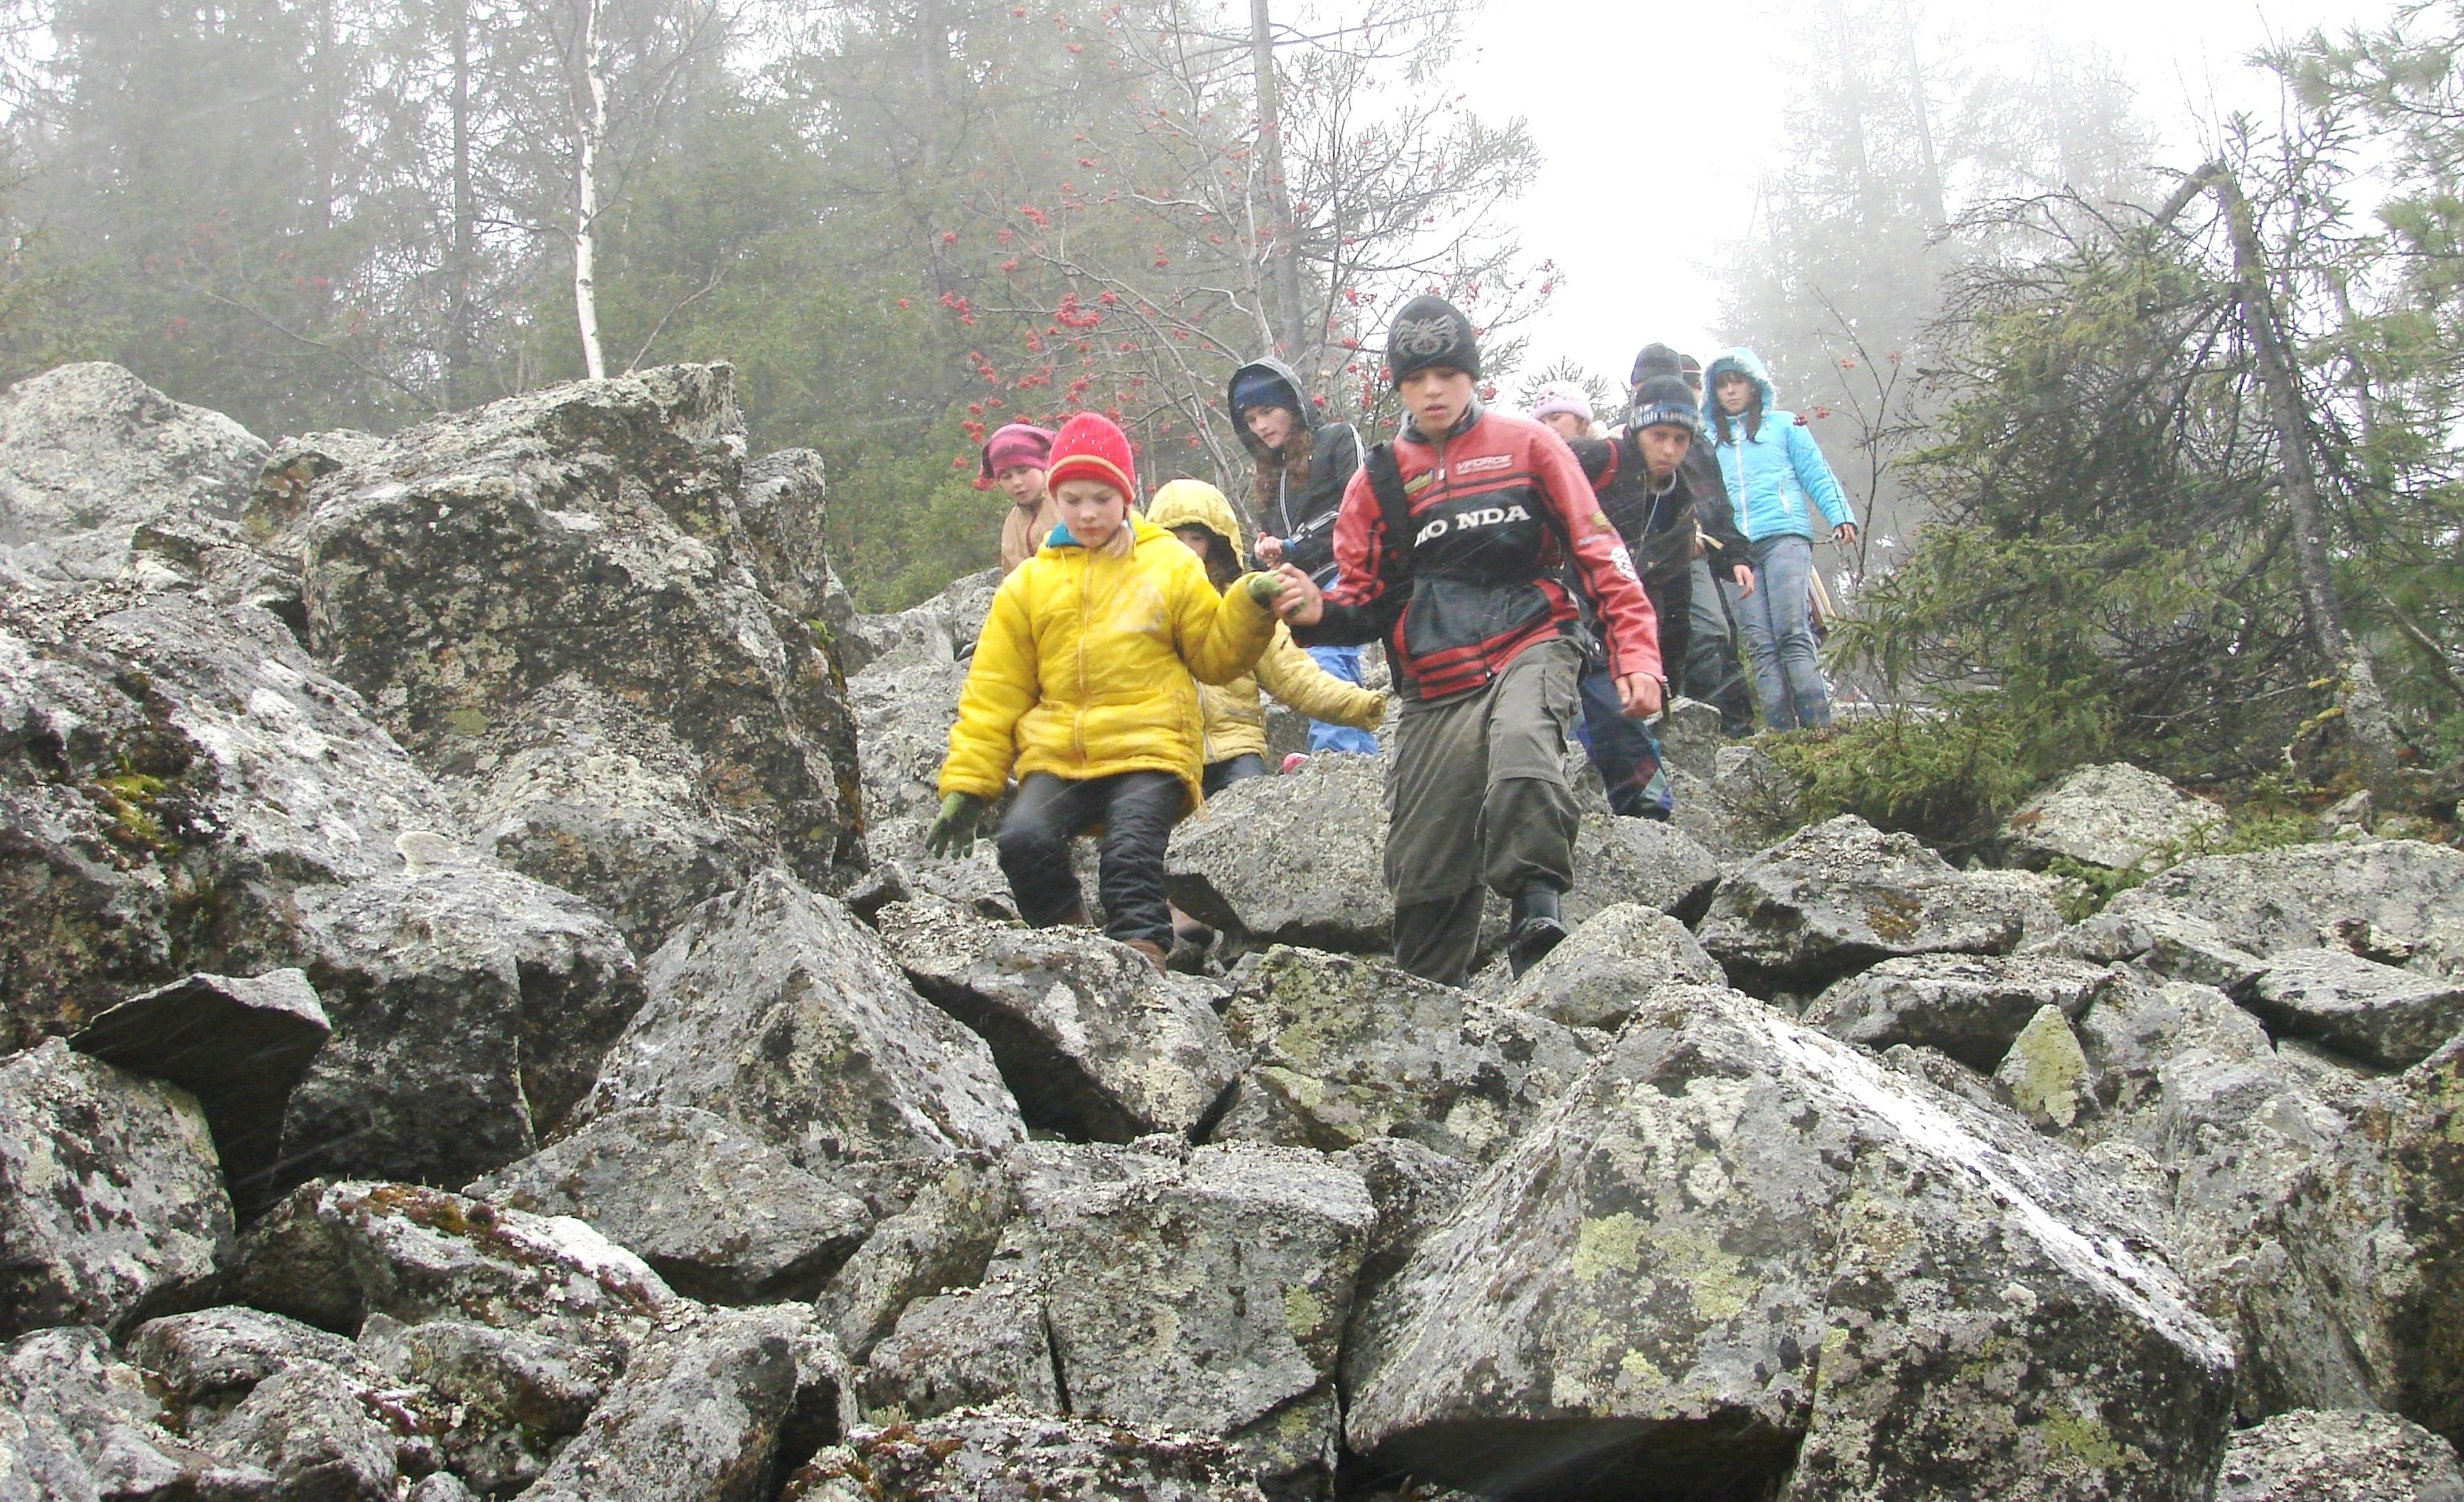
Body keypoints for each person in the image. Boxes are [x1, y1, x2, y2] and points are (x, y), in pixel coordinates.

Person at [1270, 295, 1663, 986]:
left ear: (1471, 375)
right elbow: (1361, 602)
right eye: (1416, 377)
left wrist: (1636, 652)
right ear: (1398, 385)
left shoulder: (1532, 445)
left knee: (1521, 756)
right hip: (1432, 676)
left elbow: (1601, 550)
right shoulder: (1378, 479)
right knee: (1423, 863)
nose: (1433, 389)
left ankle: (1537, 911)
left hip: (1533, 636)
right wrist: (1313, 611)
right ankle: (1428, 1006)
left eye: (1447, 373)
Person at [928, 414, 1285, 969]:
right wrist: (970, 783)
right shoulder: (1028, 584)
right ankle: (1071, 948)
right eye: (1072, 499)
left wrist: (1249, 605)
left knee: (1130, 851)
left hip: (1151, 748)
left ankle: (1143, 963)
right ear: (1055, 496)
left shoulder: (1169, 564)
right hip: (1060, 755)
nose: (1088, 512)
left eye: (1102, 497)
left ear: (1126, 494)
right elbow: (995, 690)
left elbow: (1216, 656)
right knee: (1022, 839)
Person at [1562, 373, 1750, 816]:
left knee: (1614, 705)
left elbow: (1678, 587)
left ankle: (1647, 814)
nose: (1669, 450)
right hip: (1564, 594)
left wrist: (1666, 669)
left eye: (1680, 439)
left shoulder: (1683, 490)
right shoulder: (1596, 458)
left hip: (1627, 604)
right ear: (1635, 430)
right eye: (1658, 435)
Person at [1146, 478, 1388, 795]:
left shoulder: (1243, 605)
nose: (1187, 549)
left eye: (1196, 538)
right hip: (1163, 755)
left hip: (1236, 750)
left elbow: (1292, 674)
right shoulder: (1140, 609)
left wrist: (1356, 704)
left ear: (1217, 545)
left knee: (1247, 819)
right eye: (1175, 538)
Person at [1226, 357, 1377, 759]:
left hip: (1348, 572)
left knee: (1325, 655)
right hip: (1298, 585)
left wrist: (1292, 545)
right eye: (1252, 418)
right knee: (1305, 660)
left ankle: (1333, 755)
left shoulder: (1337, 438)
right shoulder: (1268, 476)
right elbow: (1278, 543)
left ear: (1293, 405)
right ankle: (1356, 758)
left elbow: (1357, 505)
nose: (1261, 425)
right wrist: (1265, 556)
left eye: (1268, 411)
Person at [1701, 348, 1858, 731]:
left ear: (1755, 386)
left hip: (1784, 537)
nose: (1731, 391)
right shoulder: (1705, 441)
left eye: (1737, 382)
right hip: (1733, 551)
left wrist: (1840, 515)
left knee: (1791, 631)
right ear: (1713, 392)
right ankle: (1782, 739)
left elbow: (1816, 474)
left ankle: (1820, 732)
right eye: (1722, 385)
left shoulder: (1786, 426)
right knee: (1759, 644)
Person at [979, 423, 1058, 575]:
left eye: (1023, 471)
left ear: (1042, 467)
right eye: (1006, 477)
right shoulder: (1011, 524)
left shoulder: (1068, 502)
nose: (1016, 482)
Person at [1530, 381, 1596, 443]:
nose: (1547, 428)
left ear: (1582, 423)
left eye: (1555, 418)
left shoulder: (1604, 453)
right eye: (1541, 423)